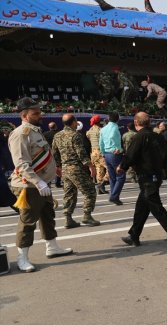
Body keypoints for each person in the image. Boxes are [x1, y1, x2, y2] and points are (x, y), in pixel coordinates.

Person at [8, 98, 73, 272]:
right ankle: (22, 258)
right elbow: (21, 164)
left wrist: (53, 171)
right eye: (35, 113)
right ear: (24, 115)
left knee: (47, 215)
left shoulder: (35, 131)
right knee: (28, 222)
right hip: (29, 186)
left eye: (39, 112)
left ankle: (52, 247)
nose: (39, 115)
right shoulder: (21, 134)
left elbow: (43, 155)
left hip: (42, 183)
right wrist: (39, 182)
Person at [118, 112, 167, 250]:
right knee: (142, 207)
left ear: (136, 122)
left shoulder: (139, 137)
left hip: (147, 177)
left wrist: (122, 167)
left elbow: (131, 155)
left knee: (156, 208)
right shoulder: (158, 136)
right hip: (156, 175)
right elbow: (166, 158)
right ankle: (134, 235)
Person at [52, 114, 100, 229]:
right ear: (73, 122)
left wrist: (58, 166)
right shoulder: (76, 135)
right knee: (90, 191)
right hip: (76, 168)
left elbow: (54, 152)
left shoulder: (57, 135)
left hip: (65, 169)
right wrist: (90, 166)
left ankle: (68, 219)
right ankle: (87, 216)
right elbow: (81, 153)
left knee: (69, 194)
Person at [99, 112, 126, 205]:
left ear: (108, 118)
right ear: (117, 119)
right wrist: (119, 149)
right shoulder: (115, 128)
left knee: (112, 177)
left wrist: (103, 153)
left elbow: (101, 143)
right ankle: (114, 196)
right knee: (121, 176)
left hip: (106, 154)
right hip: (115, 154)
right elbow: (116, 140)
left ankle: (114, 196)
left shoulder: (103, 129)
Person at [86, 114, 108, 194]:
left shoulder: (89, 131)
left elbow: (88, 137)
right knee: (110, 168)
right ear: (99, 121)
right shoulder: (101, 130)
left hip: (93, 153)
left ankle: (100, 189)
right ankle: (102, 184)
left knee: (99, 170)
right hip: (100, 151)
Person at [43, 122, 60, 187]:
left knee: (49, 168)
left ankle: (48, 182)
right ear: (55, 126)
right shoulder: (59, 134)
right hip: (57, 152)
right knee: (58, 167)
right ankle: (57, 182)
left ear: (49, 127)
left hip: (48, 152)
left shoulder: (45, 134)